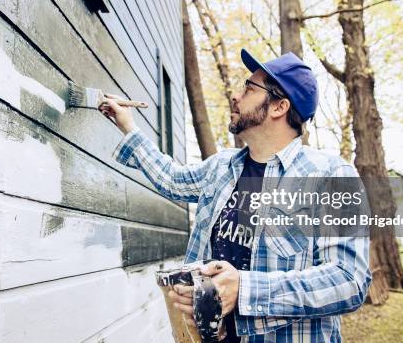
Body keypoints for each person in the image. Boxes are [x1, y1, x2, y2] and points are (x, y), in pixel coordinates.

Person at [99, 49, 372, 342]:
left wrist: (244, 288)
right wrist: (127, 123)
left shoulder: (331, 176)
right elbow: (171, 179)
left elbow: (349, 281)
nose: (236, 95)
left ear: (279, 107)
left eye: (249, 88)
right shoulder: (221, 167)